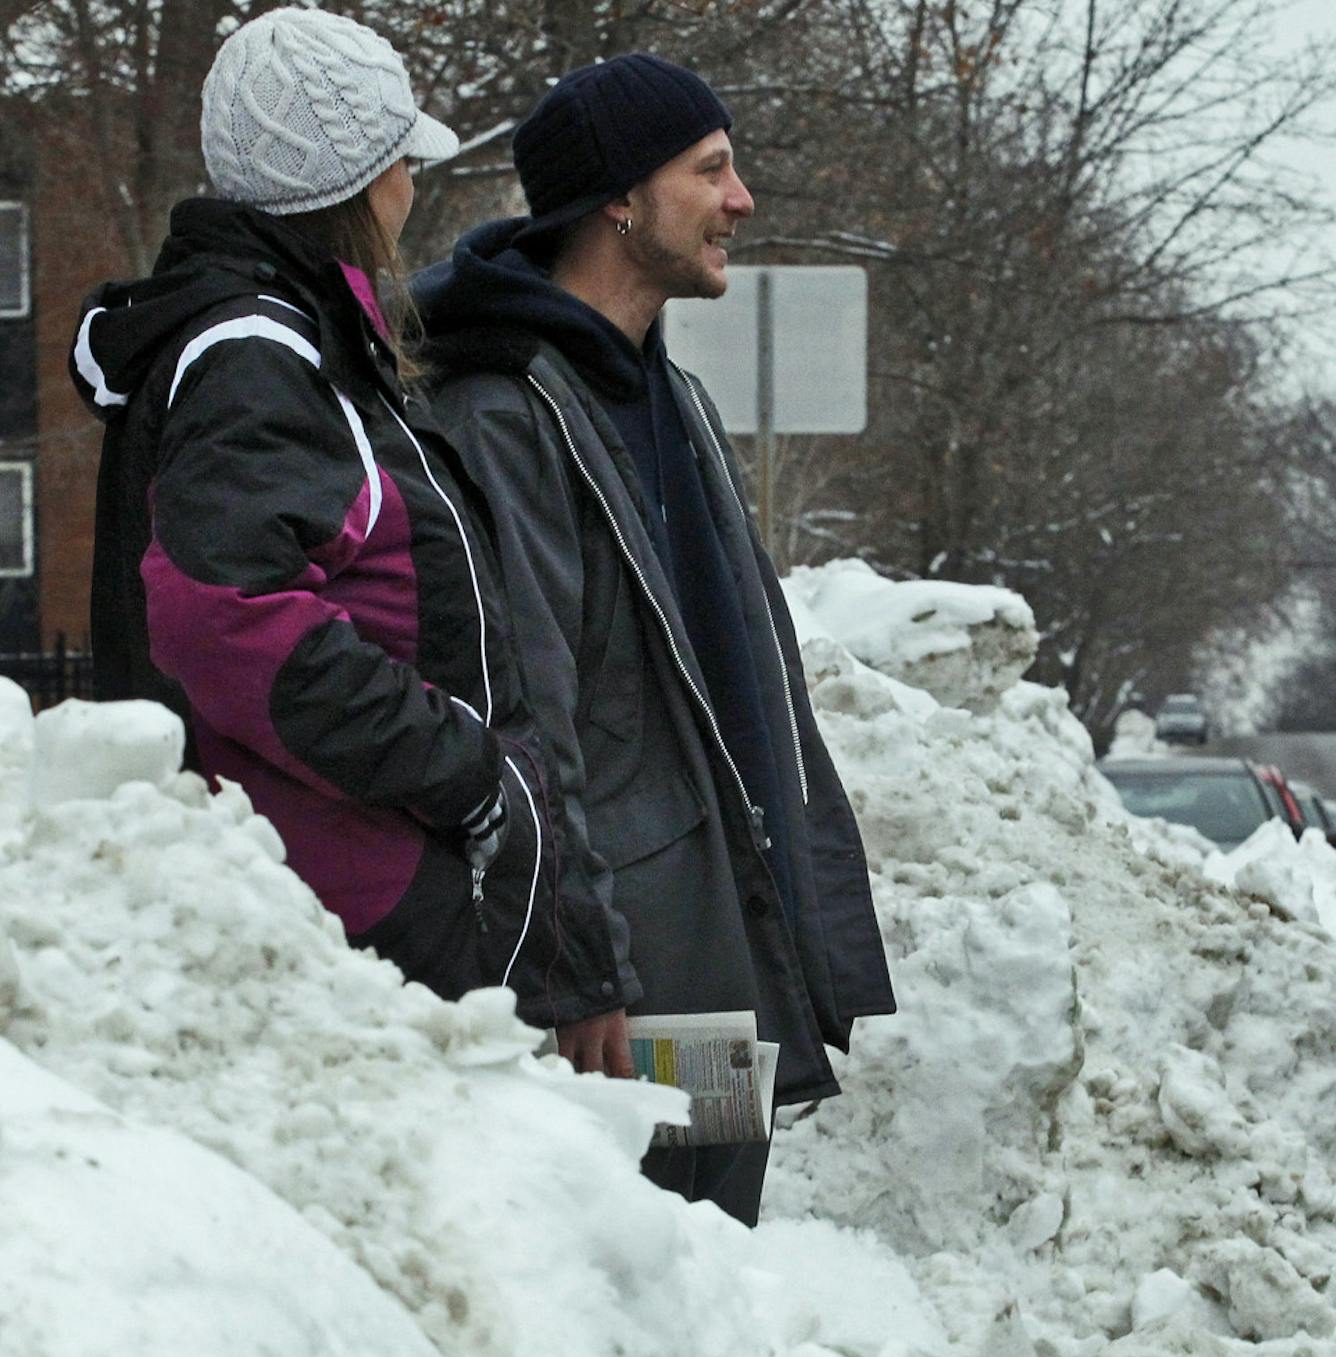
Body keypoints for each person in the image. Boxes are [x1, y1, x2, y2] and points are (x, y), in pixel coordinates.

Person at [68, 8, 625, 1054]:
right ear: (364, 183)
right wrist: (463, 773)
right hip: (355, 911)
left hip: (372, 901)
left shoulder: (298, 340)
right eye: (402, 162)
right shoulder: (258, 357)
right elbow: (223, 614)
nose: (411, 188)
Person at [416, 55, 894, 1227]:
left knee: (723, 1228)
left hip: (719, 923)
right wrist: (584, 960)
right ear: (620, 200)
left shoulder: (665, 395)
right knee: (653, 1247)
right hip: (631, 959)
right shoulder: (507, 415)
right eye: (711, 170)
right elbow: (531, 708)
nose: (742, 200)